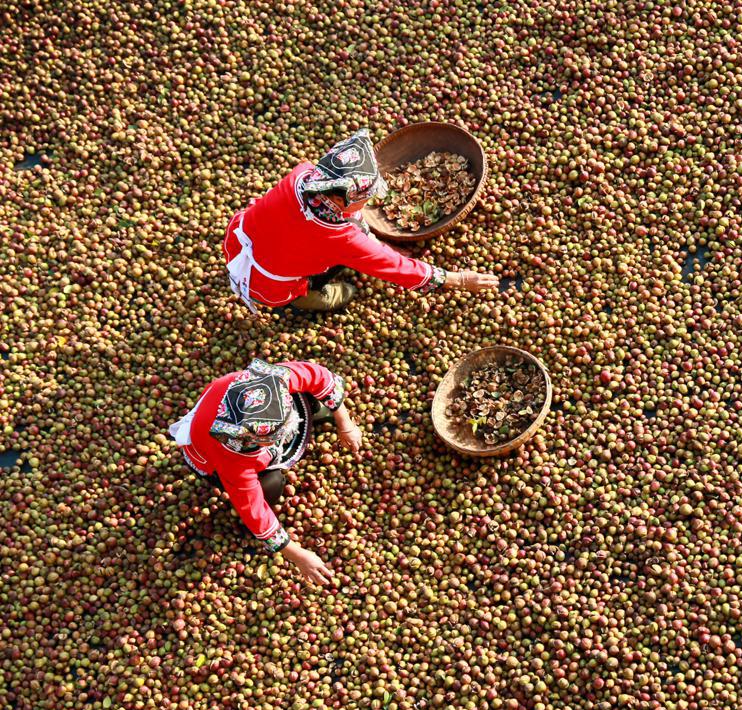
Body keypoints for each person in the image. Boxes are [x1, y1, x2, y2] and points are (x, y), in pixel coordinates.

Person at [223, 128, 498, 313]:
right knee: (339, 293)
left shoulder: (304, 174)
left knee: (329, 249)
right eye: (366, 196)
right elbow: (397, 269)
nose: (369, 202)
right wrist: (460, 280)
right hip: (268, 282)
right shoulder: (340, 240)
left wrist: (372, 243)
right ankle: (308, 300)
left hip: (243, 238)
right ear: (344, 200)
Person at [169, 358, 359, 585]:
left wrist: (345, 423)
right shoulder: (232, 456)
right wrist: (298, 555)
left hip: (249, 420)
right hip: (209, 455)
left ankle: (317, 411)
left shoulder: (270, 380)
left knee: (334, 389)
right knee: (271, 485)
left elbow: (317, 375)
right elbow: (254, 511)